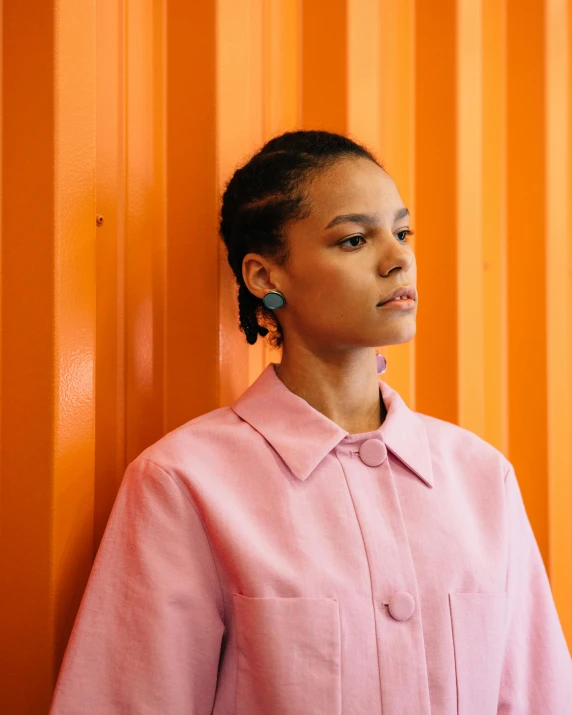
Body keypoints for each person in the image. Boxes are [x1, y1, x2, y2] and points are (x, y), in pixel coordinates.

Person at [49, 130, 572, 714]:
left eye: (402, 232)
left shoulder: (481, 479)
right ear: (266, 278)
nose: (398, 258)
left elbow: (537, 698)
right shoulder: (184, 483)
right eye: (353, 239)